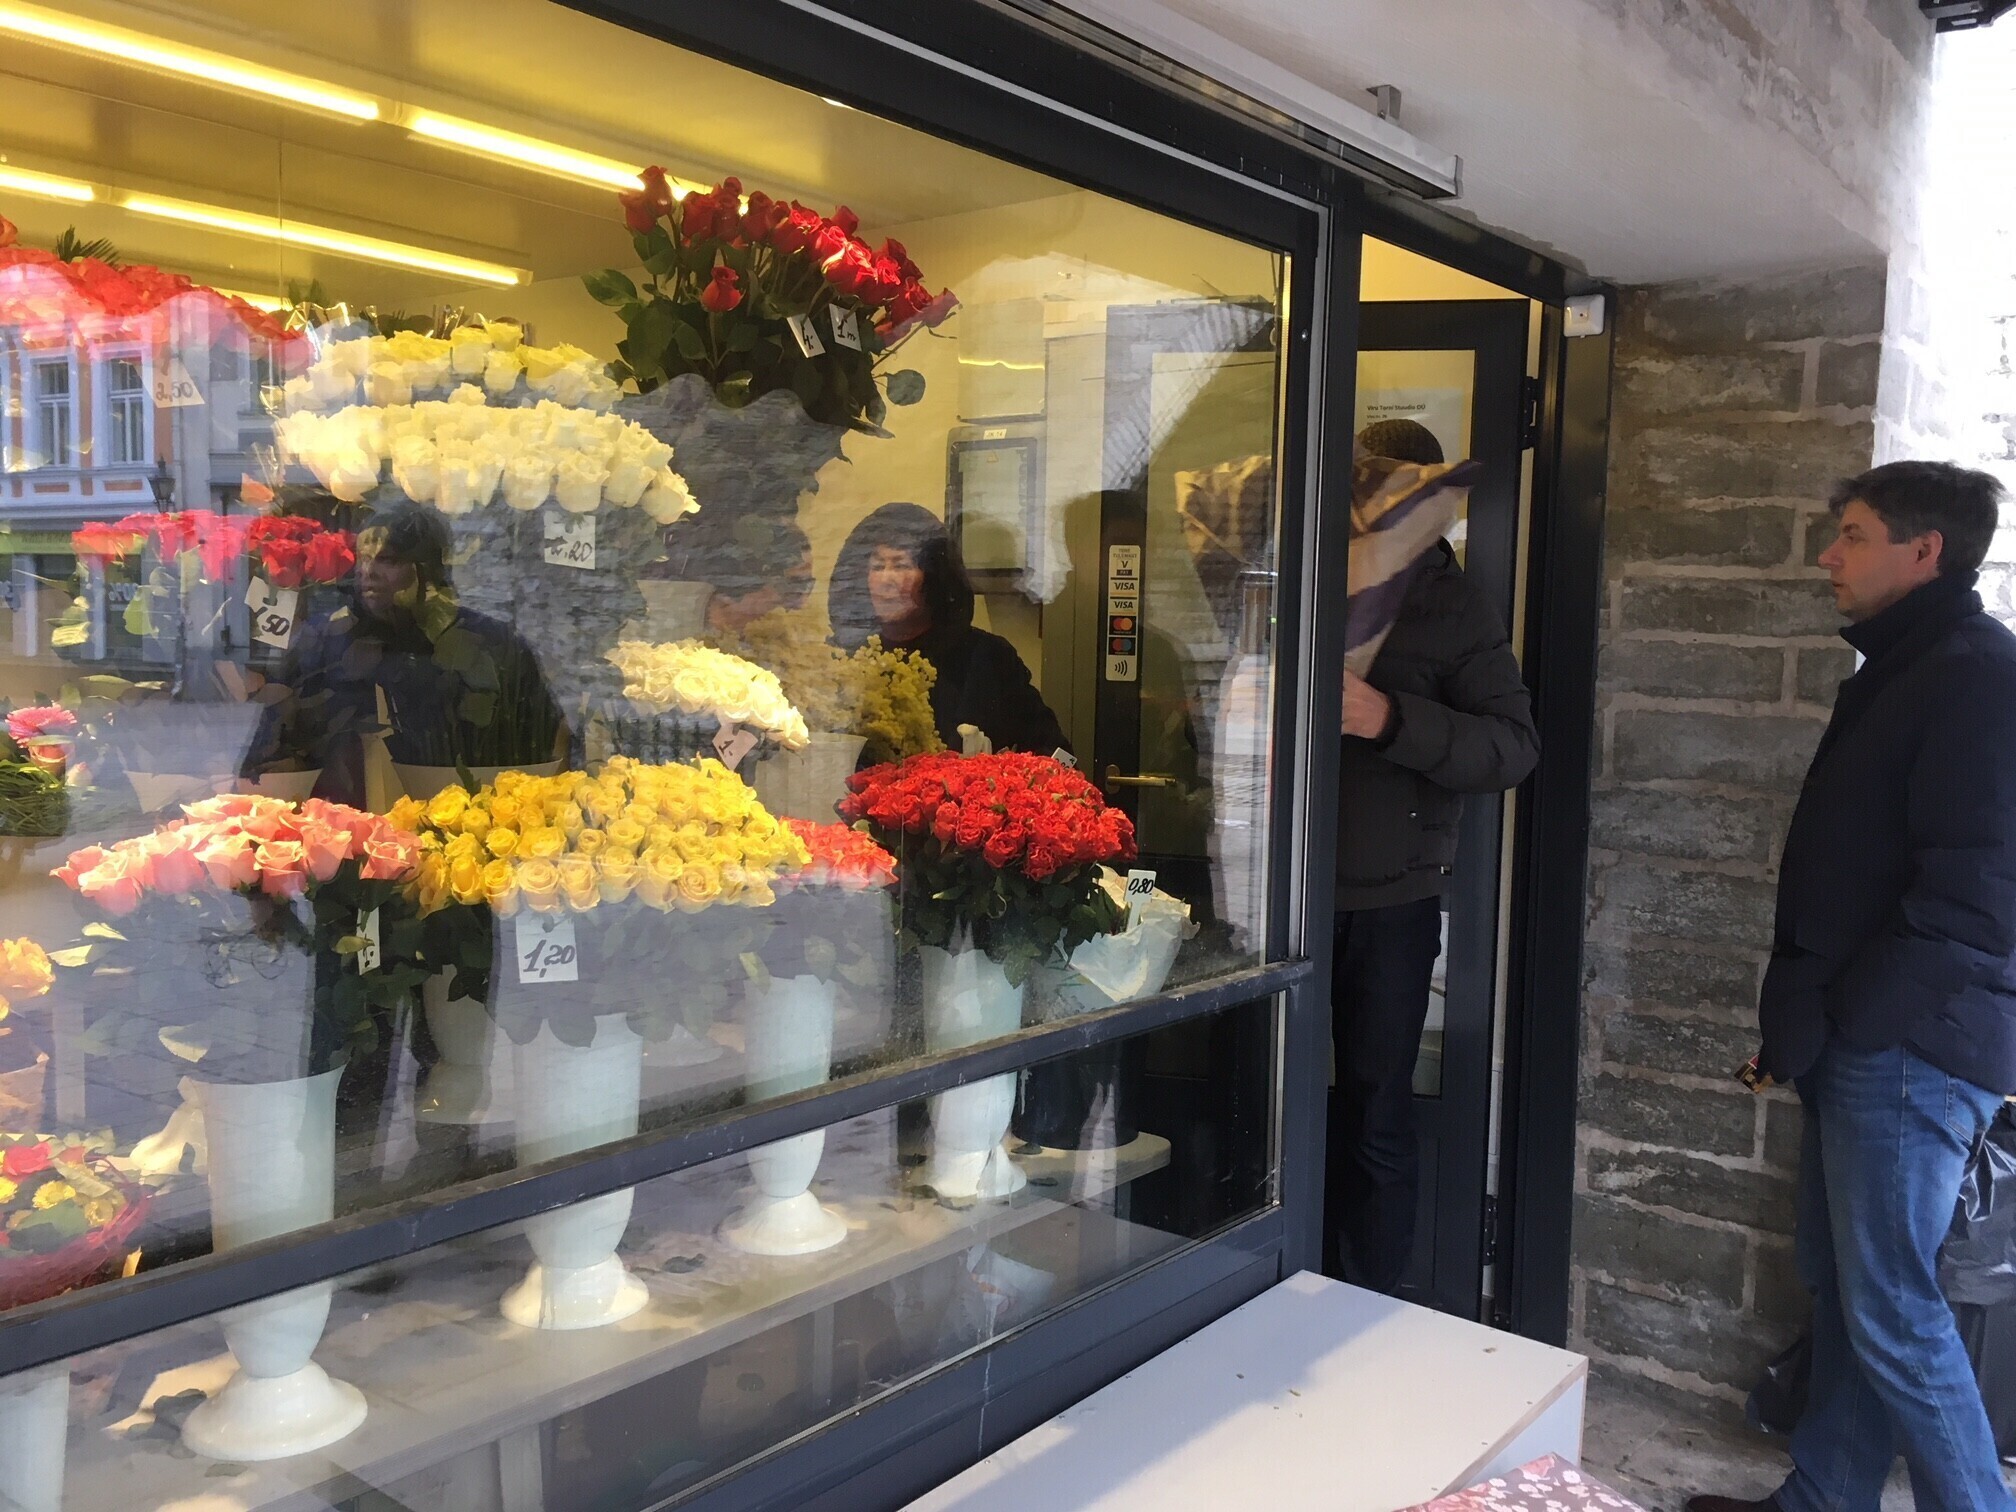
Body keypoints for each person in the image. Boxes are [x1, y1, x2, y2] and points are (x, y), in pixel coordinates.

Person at [1690, 462, 2016, 1512]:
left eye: (1855, 534)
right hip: (1875, 1041)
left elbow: (1978, 897)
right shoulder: (1914, 665)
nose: (1829, 554)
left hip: (1911, 1048)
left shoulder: (1977, 676)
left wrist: (1853, 1022)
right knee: (1848, 1295)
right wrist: (1820, 1028)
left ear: (1926, 551)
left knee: (1892, 1312)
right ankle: (1823, 1500)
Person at [1328, 417, 1538, 1294]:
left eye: (1395, 491)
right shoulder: (1298, 578)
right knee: (1267, 1098)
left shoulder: (1453, 604)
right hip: (1275, 890)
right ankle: (1269, 1287)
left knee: (1376, 1113)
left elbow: (1513, 749)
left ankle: (1369, 1303)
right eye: (1367, 489)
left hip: (1390, 904)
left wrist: (1387, 718)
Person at [257, 503, 566, 806]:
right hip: (341, 820)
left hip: (473, 819)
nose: (368, 572)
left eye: (387, 560)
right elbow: (280, 743)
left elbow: (541, 744)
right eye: (363, 559)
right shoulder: (326, 639)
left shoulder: (495, 645)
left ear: (429, 566)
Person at [829, 502, 1066, 755]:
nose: (886, 579)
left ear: (934, 576)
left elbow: (1057, 755)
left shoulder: (986, 658)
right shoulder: (843, 661)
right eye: (877, 566)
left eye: (901, 565)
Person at [695, 522, 815, 638]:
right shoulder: (685, 633)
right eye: (792, 587)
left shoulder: (791, 642)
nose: (802, 604)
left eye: (808, 585)